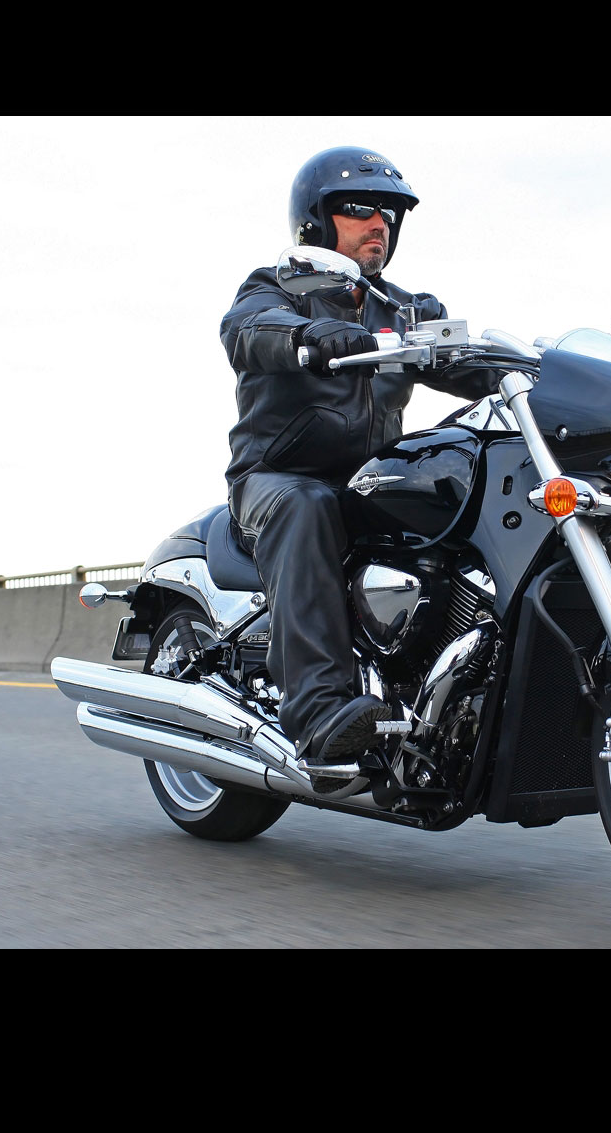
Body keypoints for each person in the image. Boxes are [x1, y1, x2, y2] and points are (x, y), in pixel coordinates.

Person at [218, 146, 502, 767]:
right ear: (316, 220)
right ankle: (318, 711)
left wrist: (531, 372)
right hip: (276, 479)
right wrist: (309, 334)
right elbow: (248, 329)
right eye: (359, 209)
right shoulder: (276, 288)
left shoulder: (405, 309)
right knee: (307, 505)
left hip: (369, 484)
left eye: (389, 214)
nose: (380, 223)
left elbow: (472, 360)